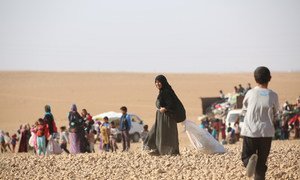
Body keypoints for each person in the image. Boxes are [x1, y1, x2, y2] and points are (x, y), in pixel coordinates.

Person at [241, 66, 279, 180]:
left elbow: (244, 110)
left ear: (255, 79)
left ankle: (249, 162)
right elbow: (276, 113)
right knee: (262, 163)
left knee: (245, 156)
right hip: (266, 132)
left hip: (250, 131)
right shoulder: (273, 95)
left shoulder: (250, 93)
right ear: (270, 78)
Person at [144, 75, 181, 155]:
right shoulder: (162, 91)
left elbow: (172, 104)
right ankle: (158, 150)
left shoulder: (166, 91)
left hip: (167, 117)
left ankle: (171, 151)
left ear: (163, 82)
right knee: (158, 132)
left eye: (159, 82)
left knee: (166, 133)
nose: (157, 84)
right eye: (156, 82)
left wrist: (165, 108)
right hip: (161, 117)